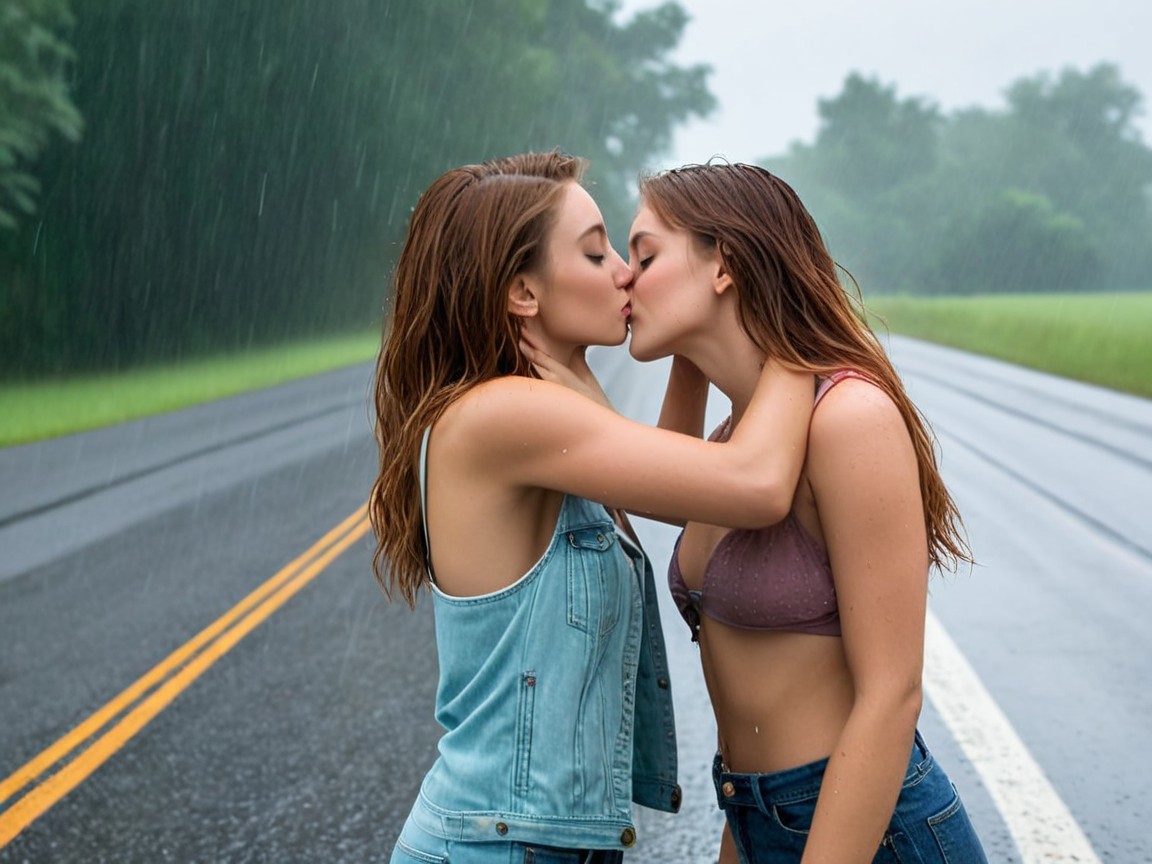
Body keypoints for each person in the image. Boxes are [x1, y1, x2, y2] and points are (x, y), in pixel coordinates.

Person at [528, 162, 988, 863]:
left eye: (645, 255)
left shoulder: (847, 419)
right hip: (754, 817)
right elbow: (659, 481)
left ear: (725, 267)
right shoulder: (740, 441)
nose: (623, 276)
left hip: (870, 833)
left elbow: (892, 698)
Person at [369, 151, 817, 864]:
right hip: (500, 846)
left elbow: (672, 485)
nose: (623, 271)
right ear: (523, 292)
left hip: (526, 842)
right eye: (595, 250)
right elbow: (753, 485)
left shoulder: (543, 411)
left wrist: (687, 337)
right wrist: (795, 318)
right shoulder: (509, 416)